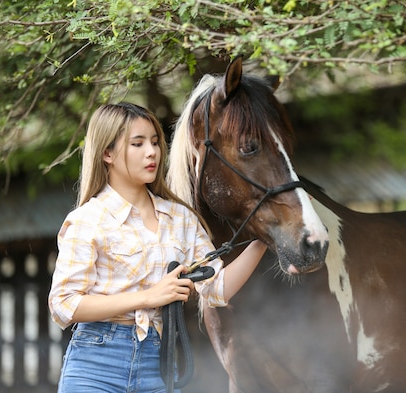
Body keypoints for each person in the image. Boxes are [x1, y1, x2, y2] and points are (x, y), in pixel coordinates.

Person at [48, 102, 267, 392]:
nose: (152, 152)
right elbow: (64, 305)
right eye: (137, 144)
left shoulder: (179, 218)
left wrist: (263, 239)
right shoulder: (87, 220)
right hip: (95, 365)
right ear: (107, 153)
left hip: (158, 366)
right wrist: (148, 297)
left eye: (154, 142)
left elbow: (217, 289)